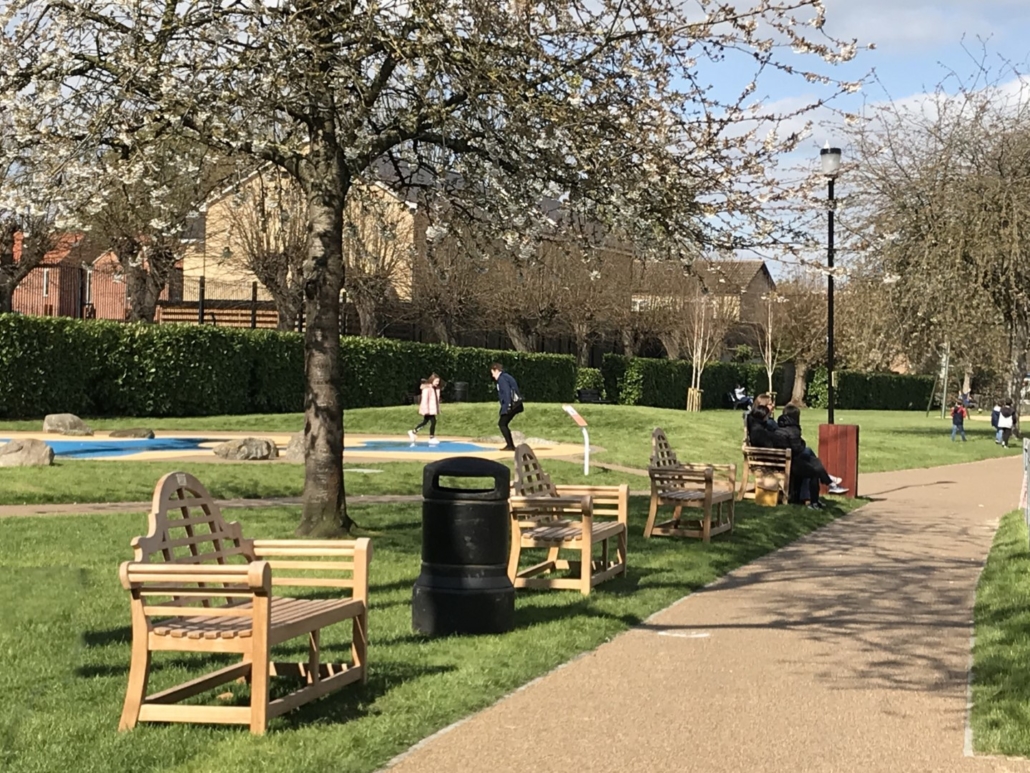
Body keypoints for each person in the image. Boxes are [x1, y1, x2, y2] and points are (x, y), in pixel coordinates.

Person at [775, 403, 848, 505]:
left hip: (780, 460)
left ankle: (827, 482)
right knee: (813, 465)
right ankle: (822, 490)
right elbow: (798, 449)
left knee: (812, 459)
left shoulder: (778, 426)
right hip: (791, 462)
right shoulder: (793, 430)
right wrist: (802, 443)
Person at [490, 363, 524, 451]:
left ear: (496, 370)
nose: (493, 376)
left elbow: (506, 392)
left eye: (493, 373)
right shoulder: (507, 376)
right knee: (503, 423)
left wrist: (508, 406)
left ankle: (510, 445)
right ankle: (510, 445)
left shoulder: (502, 379)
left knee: (502, 424)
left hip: (511, 405)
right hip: (515, 404)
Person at [407, 374, 442, 445]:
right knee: (433, 421)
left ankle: (413, 432)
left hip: (432, 409)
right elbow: (425, 400)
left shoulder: (435, 388)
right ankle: (431, 437)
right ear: (432, 380)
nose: (437, 383)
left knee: (425, 422)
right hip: (428, 409)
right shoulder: (427, 389)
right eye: (436, 381)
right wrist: (425, 410)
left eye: (438, 381)